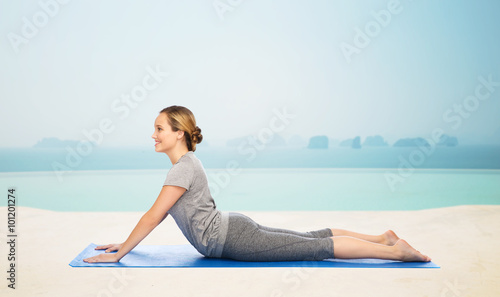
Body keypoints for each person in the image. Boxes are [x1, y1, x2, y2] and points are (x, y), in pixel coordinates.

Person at [83, 106, 431, 263]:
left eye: (160, 128)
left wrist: (122, 252)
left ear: (179, 134)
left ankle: (393, 251)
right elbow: (156, 217)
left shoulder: (181, 169)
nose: (153, 134)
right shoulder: (188, 164)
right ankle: (381, 238)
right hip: (233, 229)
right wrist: (125, 244)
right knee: (309, 239)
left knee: (314, 248)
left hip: (233, 237)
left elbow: (153, 216)